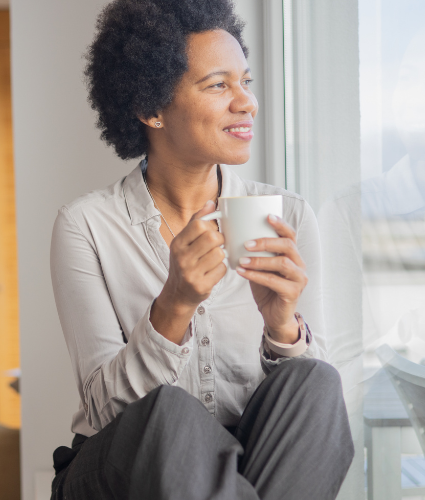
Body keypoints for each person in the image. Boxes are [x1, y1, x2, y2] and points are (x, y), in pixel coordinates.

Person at [48, 0, 354, 498]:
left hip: (251, 459)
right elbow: (106, 412)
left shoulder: (287, 217)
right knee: (170, 412)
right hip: (117, 469)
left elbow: (312, 425)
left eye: (246, 83)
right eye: (218, 85)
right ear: (151, 108)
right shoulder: (87, 226)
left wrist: (281, 328)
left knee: (315, 380)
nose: (247, 102)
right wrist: (174, 306)